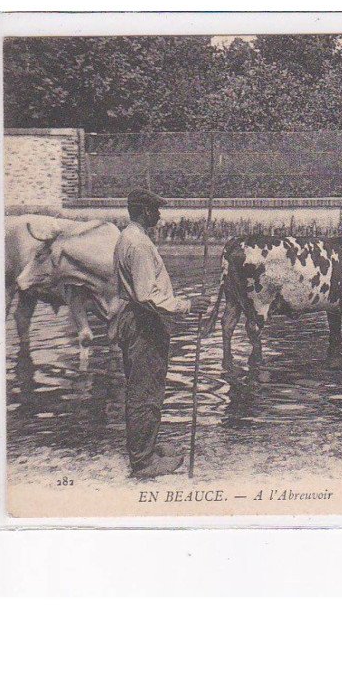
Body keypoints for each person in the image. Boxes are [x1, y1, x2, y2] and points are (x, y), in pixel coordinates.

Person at [114, 188, 210, 478]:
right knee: (145, 392)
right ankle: (143, 462)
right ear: (144, 211)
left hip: (135, 319)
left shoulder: (126, 237)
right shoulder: (139, 244)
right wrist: (188, 305)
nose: (160, 215)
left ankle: (147, 446)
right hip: (144, 321)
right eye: (156, 210)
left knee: (144, 387)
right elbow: (147, 295)